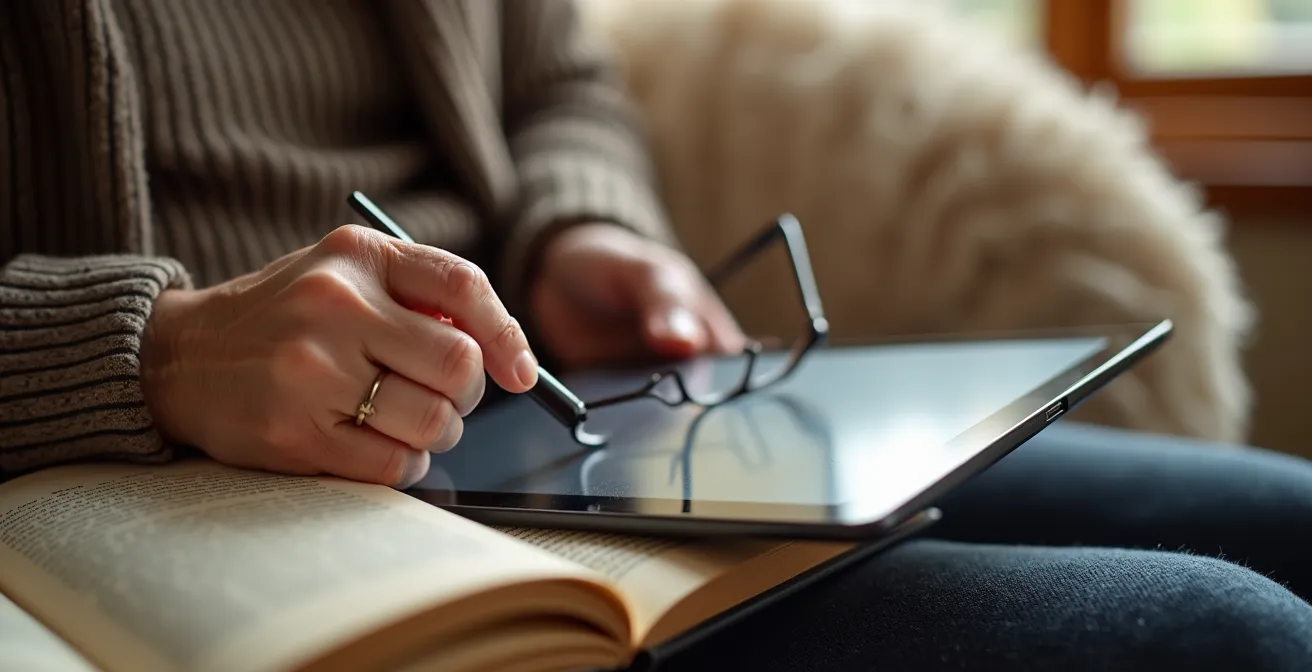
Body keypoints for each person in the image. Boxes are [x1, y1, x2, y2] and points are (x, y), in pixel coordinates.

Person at [2, 1, 1309, 670]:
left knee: (1293, 519)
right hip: (212, 495)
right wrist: (155, 348)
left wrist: (579, 234)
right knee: (1222, 640)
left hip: (546, 398)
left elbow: (560, 79)